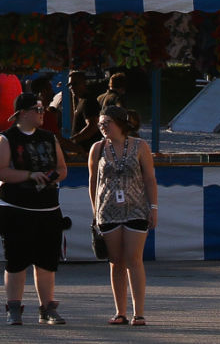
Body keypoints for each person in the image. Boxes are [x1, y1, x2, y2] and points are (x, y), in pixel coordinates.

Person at [0, 90, 68, 326]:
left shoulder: (48, 137)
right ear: (22, 113)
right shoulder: (6, 139)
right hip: (15, 208)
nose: (42, 113)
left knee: (46, 262)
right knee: (16, 261)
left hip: (47, 208)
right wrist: (29, 175)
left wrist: (50, 176)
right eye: (38, 109)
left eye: (42, 109)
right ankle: (14, 307)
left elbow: (63, 169)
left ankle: (47, 308)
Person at [89, 103, 158, 326]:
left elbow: (149, 178)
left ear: (119, 123)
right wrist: (95, 210)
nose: (103, 127)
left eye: (106, 123)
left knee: (133, 259)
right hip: (108, 210)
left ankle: (139, 312)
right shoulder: (98, 148)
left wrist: (153, 207)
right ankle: (120, 311)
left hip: (136, 207)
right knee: (115, 261)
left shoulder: (140, 146)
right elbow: (93, 182)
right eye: (100, 124)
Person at [67, 70, 102, 156]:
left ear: (84, 83)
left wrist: (73, 140)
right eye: (70, 85)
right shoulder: (81, 101)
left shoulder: (89, 101)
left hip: (89, 154)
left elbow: (93, 127)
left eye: (75, 84)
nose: (71, 87)